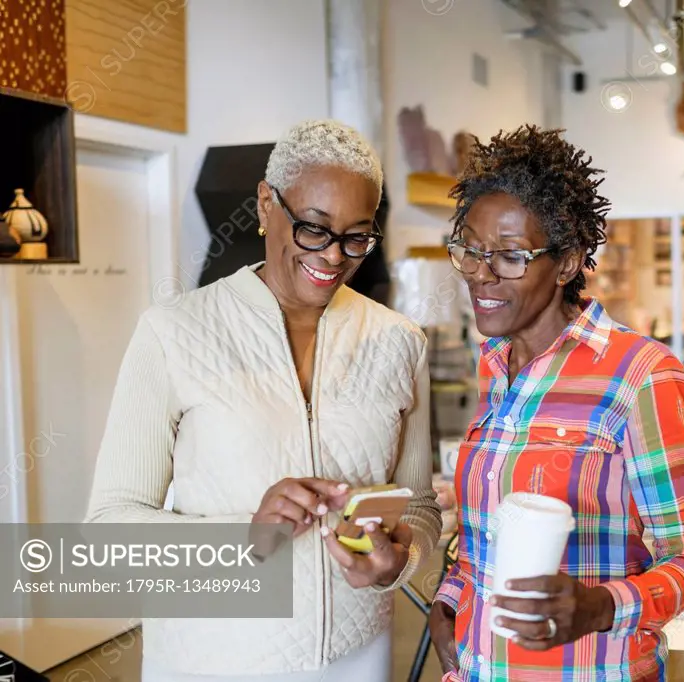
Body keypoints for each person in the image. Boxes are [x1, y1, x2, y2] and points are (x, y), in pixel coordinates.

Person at [85, 119, 441, 682]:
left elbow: (418, 509)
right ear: (266, 205)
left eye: (357, 236)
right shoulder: (173, 332)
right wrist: (245, 537)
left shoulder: (401, 341)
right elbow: (109, 529)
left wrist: (398, 563)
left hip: (357, 656)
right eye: (313, 228)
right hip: (211, 660)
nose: (334, 256)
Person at [428, 125, 684, 682]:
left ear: (566, 263)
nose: (482, 275)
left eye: (511, 256)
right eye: (471, 250)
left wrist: (597, 608)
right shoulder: (495, 368)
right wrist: (449, 599)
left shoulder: (641, 376)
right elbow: (483, 537)